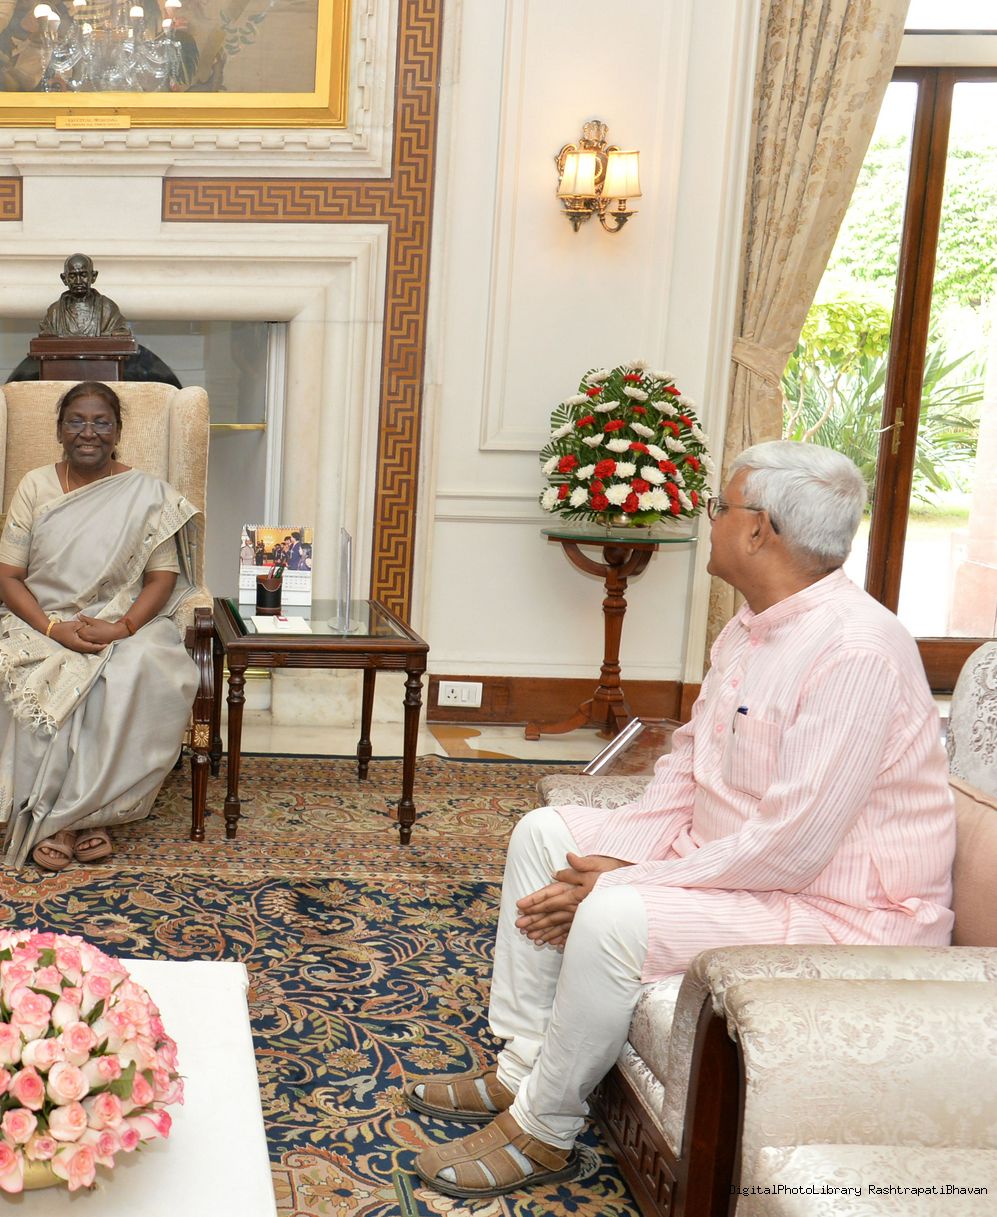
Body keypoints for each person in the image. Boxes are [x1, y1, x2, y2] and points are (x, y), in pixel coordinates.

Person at [406, 440, 955, 1201]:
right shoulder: (750, 626)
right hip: (742, 868)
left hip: (836, 910)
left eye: (719, 506)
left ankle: (544, 1128)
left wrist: (627, 881)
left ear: (758, 529)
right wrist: (616, 854)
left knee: (616, 913)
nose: (709, 518)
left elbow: (791, 847)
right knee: (546, 834)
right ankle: (522, 1062)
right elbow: (688, 767)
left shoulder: (857, 651)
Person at [0, 382, 201, 870]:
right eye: (76, 421)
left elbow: (162, 578)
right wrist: (53, 630)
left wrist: (122, 628)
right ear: (59, 430)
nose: (88, 432)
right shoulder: (35, 486)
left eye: (101, 422)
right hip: (41, 620)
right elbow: (7, 577)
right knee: (29, 675)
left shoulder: (148, 494)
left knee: (141, 669)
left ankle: (87, 815)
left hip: (124, 622)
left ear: (117, 431)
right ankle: (69, 820)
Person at [37, 253, 132, 338]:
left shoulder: (108, 309)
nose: (78, 281)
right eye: (72, 276)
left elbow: (121, 334)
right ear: (64, 279)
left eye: (83, 275)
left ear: (93, 276)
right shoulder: (54, 312)